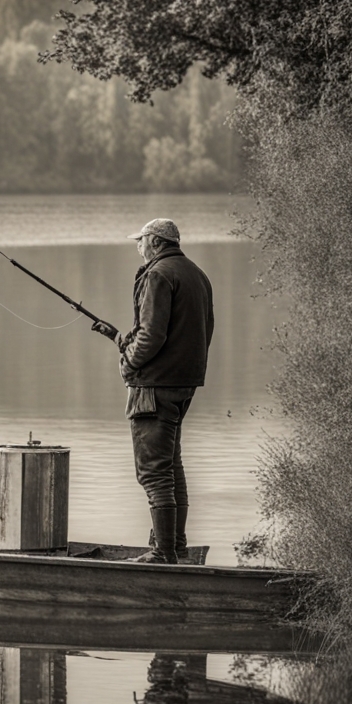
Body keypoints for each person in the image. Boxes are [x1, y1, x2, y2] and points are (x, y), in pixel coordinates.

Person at [92, 219, 214, 564]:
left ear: (156, 242)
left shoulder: (157, 275)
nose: (138, 247)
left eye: (141, 241)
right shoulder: (196, 274)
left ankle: (163, 554)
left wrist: (129, 365)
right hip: (184, 382)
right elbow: (199, 330)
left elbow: (152, 335)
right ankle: (176, 546)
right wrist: (119, 338)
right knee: (171, 466)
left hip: (154, 386)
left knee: (153, 472)